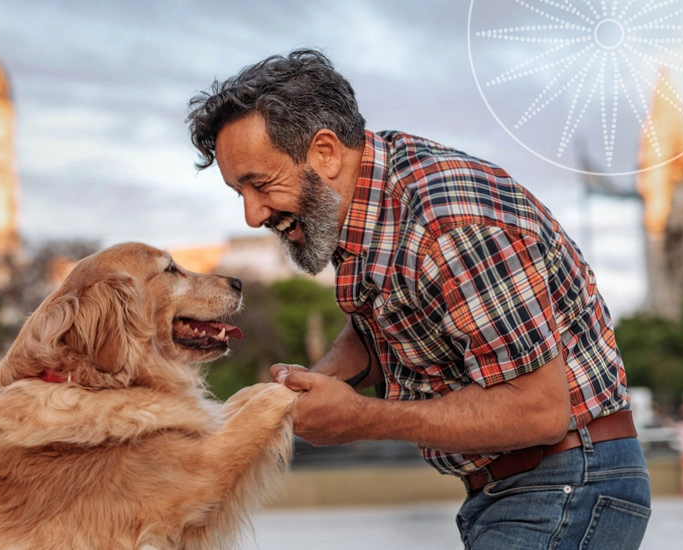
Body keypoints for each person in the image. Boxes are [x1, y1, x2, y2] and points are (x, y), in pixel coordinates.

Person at [186, 49, 647, 549]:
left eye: (261, 184)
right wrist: (297, 394)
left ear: (325, 152)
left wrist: (359, 419)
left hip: (567, 483)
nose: (253, 215)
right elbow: (382, 326)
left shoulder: (446, 222)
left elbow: (539, 409)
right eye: (240, 193)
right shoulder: (368, 202)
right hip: (517, 488)